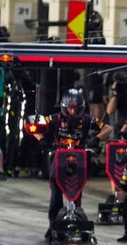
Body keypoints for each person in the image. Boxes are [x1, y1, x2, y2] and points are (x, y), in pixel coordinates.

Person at [40, 87, 108, 226]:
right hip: (59, 159)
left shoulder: (87, 119)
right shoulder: (55, 118)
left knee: (76, 192)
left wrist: (96, 139)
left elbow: (108, 129)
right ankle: (54, 225)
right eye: (70, 108)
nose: (73, 112)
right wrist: (42, 139)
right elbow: (32, 124)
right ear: (64, 107)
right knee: (56, 192)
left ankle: (75, 221)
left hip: (79, 159)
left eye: (76, 108)